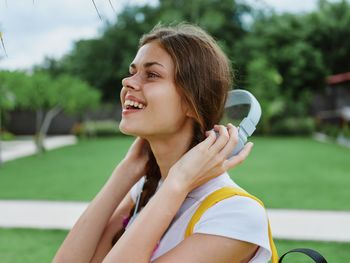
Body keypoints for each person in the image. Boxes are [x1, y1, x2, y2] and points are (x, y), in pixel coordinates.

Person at [53, 23, 272, 263]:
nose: (128, 82)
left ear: (192, 103)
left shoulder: (235, 214)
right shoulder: (146, 192)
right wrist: (125, 173)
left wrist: (178, 182)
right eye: (133, 71)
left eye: (152, 74)